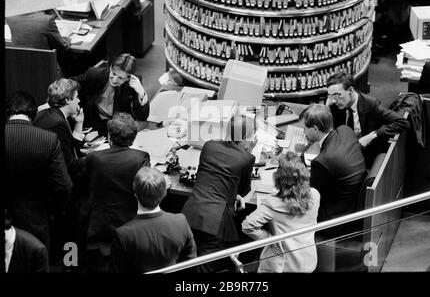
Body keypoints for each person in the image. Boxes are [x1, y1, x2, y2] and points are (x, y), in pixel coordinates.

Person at [181, 115, 257, 273]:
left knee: (184, 263)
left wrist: (231, 193)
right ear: (245, 137)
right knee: (203, 270)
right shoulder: (246, 157)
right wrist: (248, 150)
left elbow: (213, 175)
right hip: (215, 223)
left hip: (189, 214)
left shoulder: (209, 146)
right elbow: (244, 191)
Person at [5, 91, 72, 249]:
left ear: (7, 112)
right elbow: (64, 185)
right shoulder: (48, 139)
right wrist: (56, 211)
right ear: (33, 113)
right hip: (37, 220)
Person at [242, 152, 320, 273]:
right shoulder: (315, 195)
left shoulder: (272, 203)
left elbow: (247, 226)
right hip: (308, 262)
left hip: (282, 266)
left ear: (279, 178)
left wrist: (271, 240)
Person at [85, 112, 151, 252]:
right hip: (130, 223)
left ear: (109, 137)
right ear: (133, 138)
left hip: (99, 225)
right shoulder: (140, 158)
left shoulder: (93, 157)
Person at [111, 167, 196, 273]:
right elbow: (190, 264)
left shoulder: (123, 234)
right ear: (164, 193)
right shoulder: (181, 222)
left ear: (136, 195)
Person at [299, 104, 366, 223]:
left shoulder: (322, 161)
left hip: (334, 218)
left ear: (315, 128)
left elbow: (311, 196)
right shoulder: (345, 130)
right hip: (351, 203)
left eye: (304, 128)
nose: (303, 132)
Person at [326, 71, 409, 167]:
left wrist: (372, 135)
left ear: (351, 90)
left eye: (337, 95)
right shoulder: (334, 104)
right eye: (330, 96)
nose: (333, 100)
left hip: (367, 156)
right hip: (346, 151)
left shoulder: (371, 105)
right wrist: (326, 109)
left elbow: (402, 122)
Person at [72, 53, 150, 136]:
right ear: (110, 67)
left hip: (119, 127)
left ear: (128, 78)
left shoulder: (133, 84)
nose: (114, 80)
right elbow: (71, 83)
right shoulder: (94, 74)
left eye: (120, 78)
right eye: (113, 74)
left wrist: (141, 92)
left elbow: (142, 117)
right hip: (94, 124)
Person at [33, 78, 86, 183]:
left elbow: (70, 147)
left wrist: (79, 122)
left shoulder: (48, 113)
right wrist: (93, 158)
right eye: (76, 97)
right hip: (54, 182)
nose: (79, 100)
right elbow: (70, 163)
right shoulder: (58, 123)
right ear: (67, 100)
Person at [6, 10, 70, 76]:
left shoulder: (10, 17)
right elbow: (62, 46)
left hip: (20, 68)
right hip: (46, 70)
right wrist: (67, 39)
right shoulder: (47, 20)